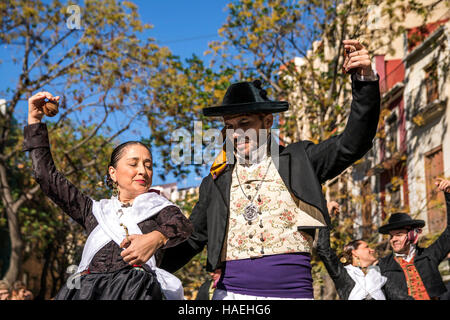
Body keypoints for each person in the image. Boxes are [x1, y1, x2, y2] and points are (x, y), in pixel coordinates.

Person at [157, 39, 381, 300]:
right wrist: (138, 266)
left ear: (267, 122)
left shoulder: (299, 160)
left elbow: (353, 142)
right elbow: (193, 239)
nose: (236, 133)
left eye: (244, 123)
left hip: (292, 294)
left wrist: (364, 82)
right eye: (230, 126)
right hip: (231, 296)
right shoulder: (216, 181)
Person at [24, 91, 193, 300]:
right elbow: (46, 177)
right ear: (113, 173)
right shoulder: (93, 211)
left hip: (135, 291)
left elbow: (183, 226)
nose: (142, 170)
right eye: (133, 164)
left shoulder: (160, 207)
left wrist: (157, 237)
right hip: (87, 292)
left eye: (148, 165)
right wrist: (35, 121)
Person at [378, 178, 450, 300]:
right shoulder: (383, 265)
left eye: (399, 234)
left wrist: (449, 196)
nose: (393, 239)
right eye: (391, 236)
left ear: (412, 235)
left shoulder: (429, 255)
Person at [317, 201, 390, 300]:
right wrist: (327, 215)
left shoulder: (380, 272)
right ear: (354, 252)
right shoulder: (343, 274)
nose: (372, 250)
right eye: (366, 247)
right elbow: (323, 249)